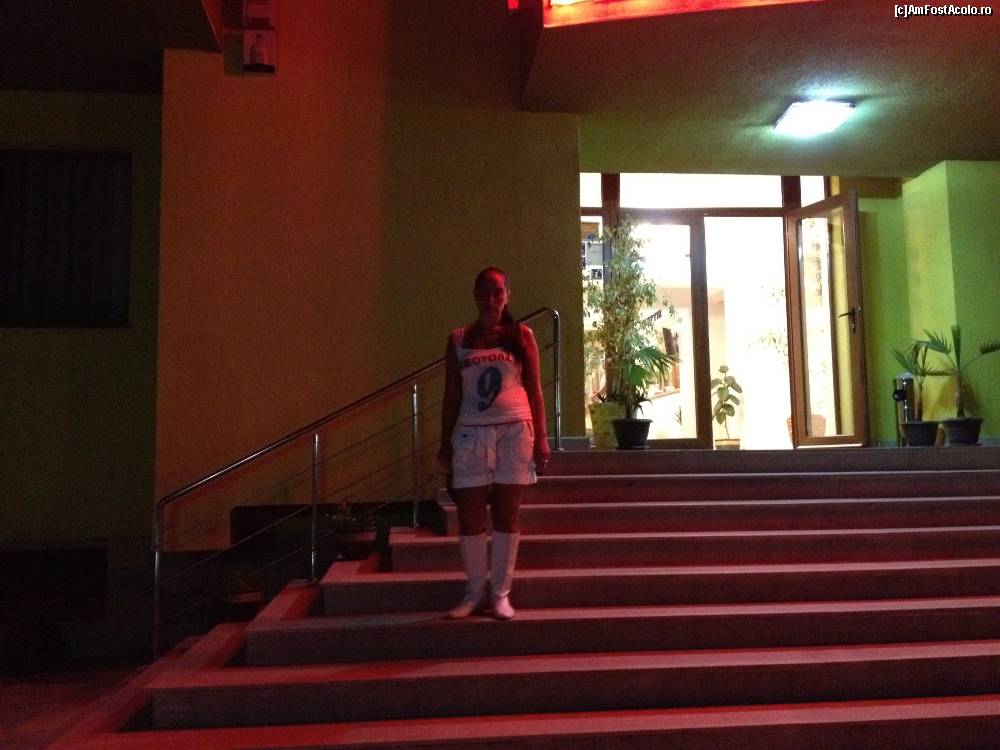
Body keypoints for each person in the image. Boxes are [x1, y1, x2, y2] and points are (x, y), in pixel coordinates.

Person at [438, 267, 550, 620]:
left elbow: (534, 389)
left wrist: (542, 438)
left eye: (497, 292)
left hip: (515, 430)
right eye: (484, 292)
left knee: (506, 512)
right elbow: (452, 394)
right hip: (471, 432)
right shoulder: (459, 339)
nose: (491, 299)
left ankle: (501, 593)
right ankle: (474, 592)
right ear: (475, 295)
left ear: (507, 296)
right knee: (469, 515)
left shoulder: (522, 335)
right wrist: (445, 441)